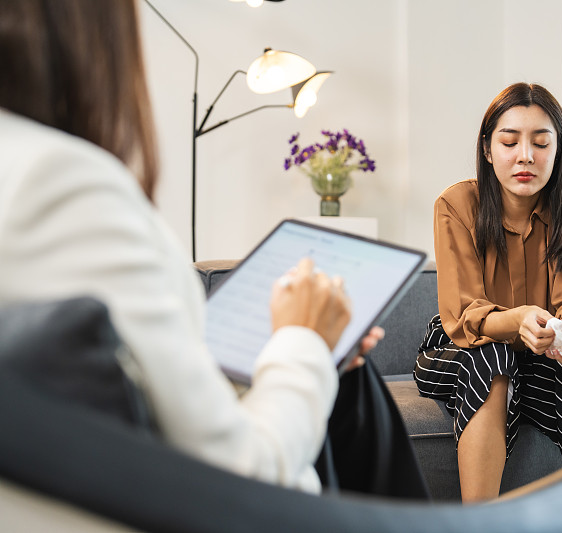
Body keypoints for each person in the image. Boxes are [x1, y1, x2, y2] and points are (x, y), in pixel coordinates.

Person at [0, 0, 426, 499]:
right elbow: (242, 473)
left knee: (350, 378)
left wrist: (294, 343)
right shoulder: (57, 183)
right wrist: (304, 341)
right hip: (222, 505)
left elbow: (149, 384)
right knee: (350, 388)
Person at [414, 83, 562, 502]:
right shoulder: (456, 204)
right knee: (495, 356)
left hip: (543, 347)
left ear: (558, 150)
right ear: (488, 150)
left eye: (541, 143)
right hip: (461, 345)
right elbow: (465, 313)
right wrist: (518, 319)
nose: (525, 155)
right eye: (509, 142)